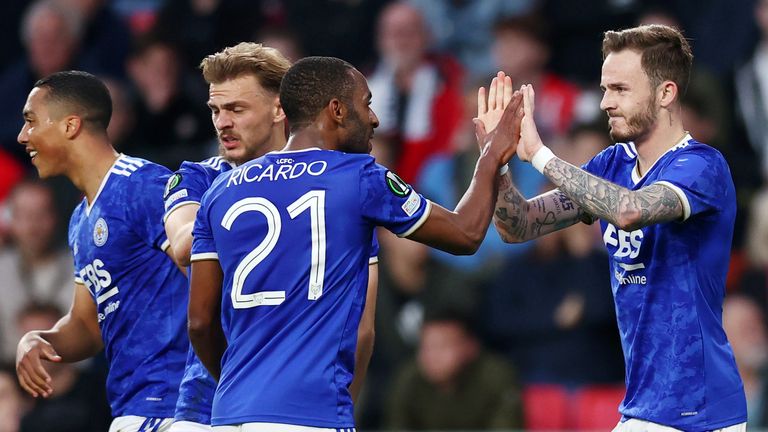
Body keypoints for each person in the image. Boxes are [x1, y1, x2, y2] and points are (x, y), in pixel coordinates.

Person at [187, 58, 522, 430]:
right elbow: (466, 233)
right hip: (310, 413)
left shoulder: (220, 192)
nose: (375, 118)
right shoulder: (358, 177)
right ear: (337, 110)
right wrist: (491, 154)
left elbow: (200, 322)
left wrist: (238, 384)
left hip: (230, 412)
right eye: (366, 103)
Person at [489, 24, 746, 431]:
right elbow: (518, 226)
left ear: (666, 93)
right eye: (605, 88)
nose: (606, 102)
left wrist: (539, 154)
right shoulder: (613, 164)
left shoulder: (702, 166)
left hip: (699, 411)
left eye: (621, 89)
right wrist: (497, 160)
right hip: (644, 408)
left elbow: (628, 210)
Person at [162, 42, 379, 431]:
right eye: (215, 110)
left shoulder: (337, 188)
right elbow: (182, 249)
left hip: (298, 404)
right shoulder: (198, 178)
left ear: (281, 108)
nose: (222, 123)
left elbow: (363, 325)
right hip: (203, 405)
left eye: (236, 109)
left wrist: (340, 404)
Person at [15, 71, 189, 431]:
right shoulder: (81, 219)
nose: (22, 136)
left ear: (70, 125)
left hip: (177, 405)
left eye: (31, 121)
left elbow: (207, 274)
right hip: (131, 403)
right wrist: (40, 339)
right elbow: (86, 325)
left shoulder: (142, 185)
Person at [385, 308, 522, 430]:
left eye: (442, 346)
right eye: (426, 347)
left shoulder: (496, 377)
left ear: (470, 347)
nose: (432, 356)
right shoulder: (408, 379)